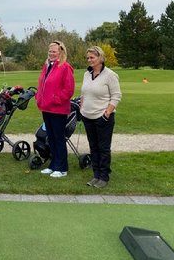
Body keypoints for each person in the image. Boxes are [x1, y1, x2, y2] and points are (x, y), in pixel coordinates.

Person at [80, 46, 122, 189]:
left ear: (100, 58)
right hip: (87, 116)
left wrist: (108, 113)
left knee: (103, 148)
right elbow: (84, 93)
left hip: (102, 117)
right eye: (88, 58)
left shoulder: (110, 75)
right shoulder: (87, 74)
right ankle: (96, 175)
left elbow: (116, 96)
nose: (89, 60)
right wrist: (81, 106)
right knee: (93, 147)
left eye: (92, 57)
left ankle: (104, 177)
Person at [34, 41, 75, 178]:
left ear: (61, 52)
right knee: (50, 138)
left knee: (58, 138)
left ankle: (62, 168)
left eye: (54, 51)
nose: (51, 53)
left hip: (58, 109)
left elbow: (68, 90)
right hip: (46, 108)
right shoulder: (47, 66)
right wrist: (39, 97)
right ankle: (53, 165)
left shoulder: (65, 67)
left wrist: (55, 99)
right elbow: (43, 85)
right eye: (50, 51)